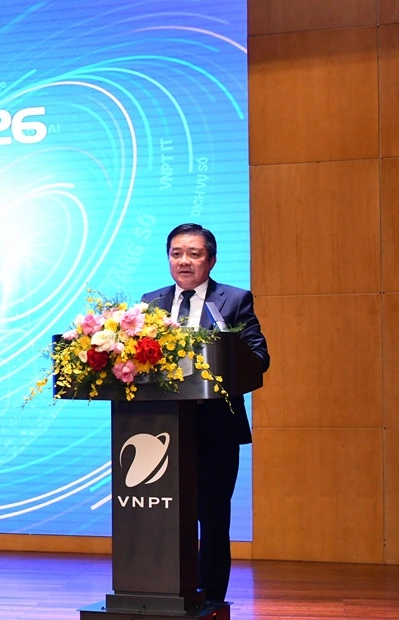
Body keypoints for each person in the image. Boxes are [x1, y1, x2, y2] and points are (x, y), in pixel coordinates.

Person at [141, 223, 270, 604]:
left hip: (215, 428)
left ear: (211, 260)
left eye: (194, 254)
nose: (184, 261)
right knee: (165, 514)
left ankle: (210, 598)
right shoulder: (151, 302)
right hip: (161, 428)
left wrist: (221, 358)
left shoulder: (233, 300)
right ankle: (165, 590)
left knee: (212, 518)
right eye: (176, 253)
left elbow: (259, 357)